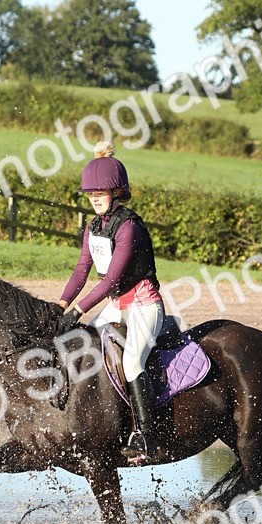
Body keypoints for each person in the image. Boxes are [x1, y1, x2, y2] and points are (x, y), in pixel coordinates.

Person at [58, 141, 164, 463]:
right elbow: (81, 271)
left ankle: (146, 436)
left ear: (117, 192)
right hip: (118, 304)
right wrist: (61, 306)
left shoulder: (129, 226)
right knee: (81, 344)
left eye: (99, 194)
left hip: (144, 304)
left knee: (132, 362)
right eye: (91, 195)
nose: (94, 199)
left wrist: (79, 309)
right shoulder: (93, 227)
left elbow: (112, 280)